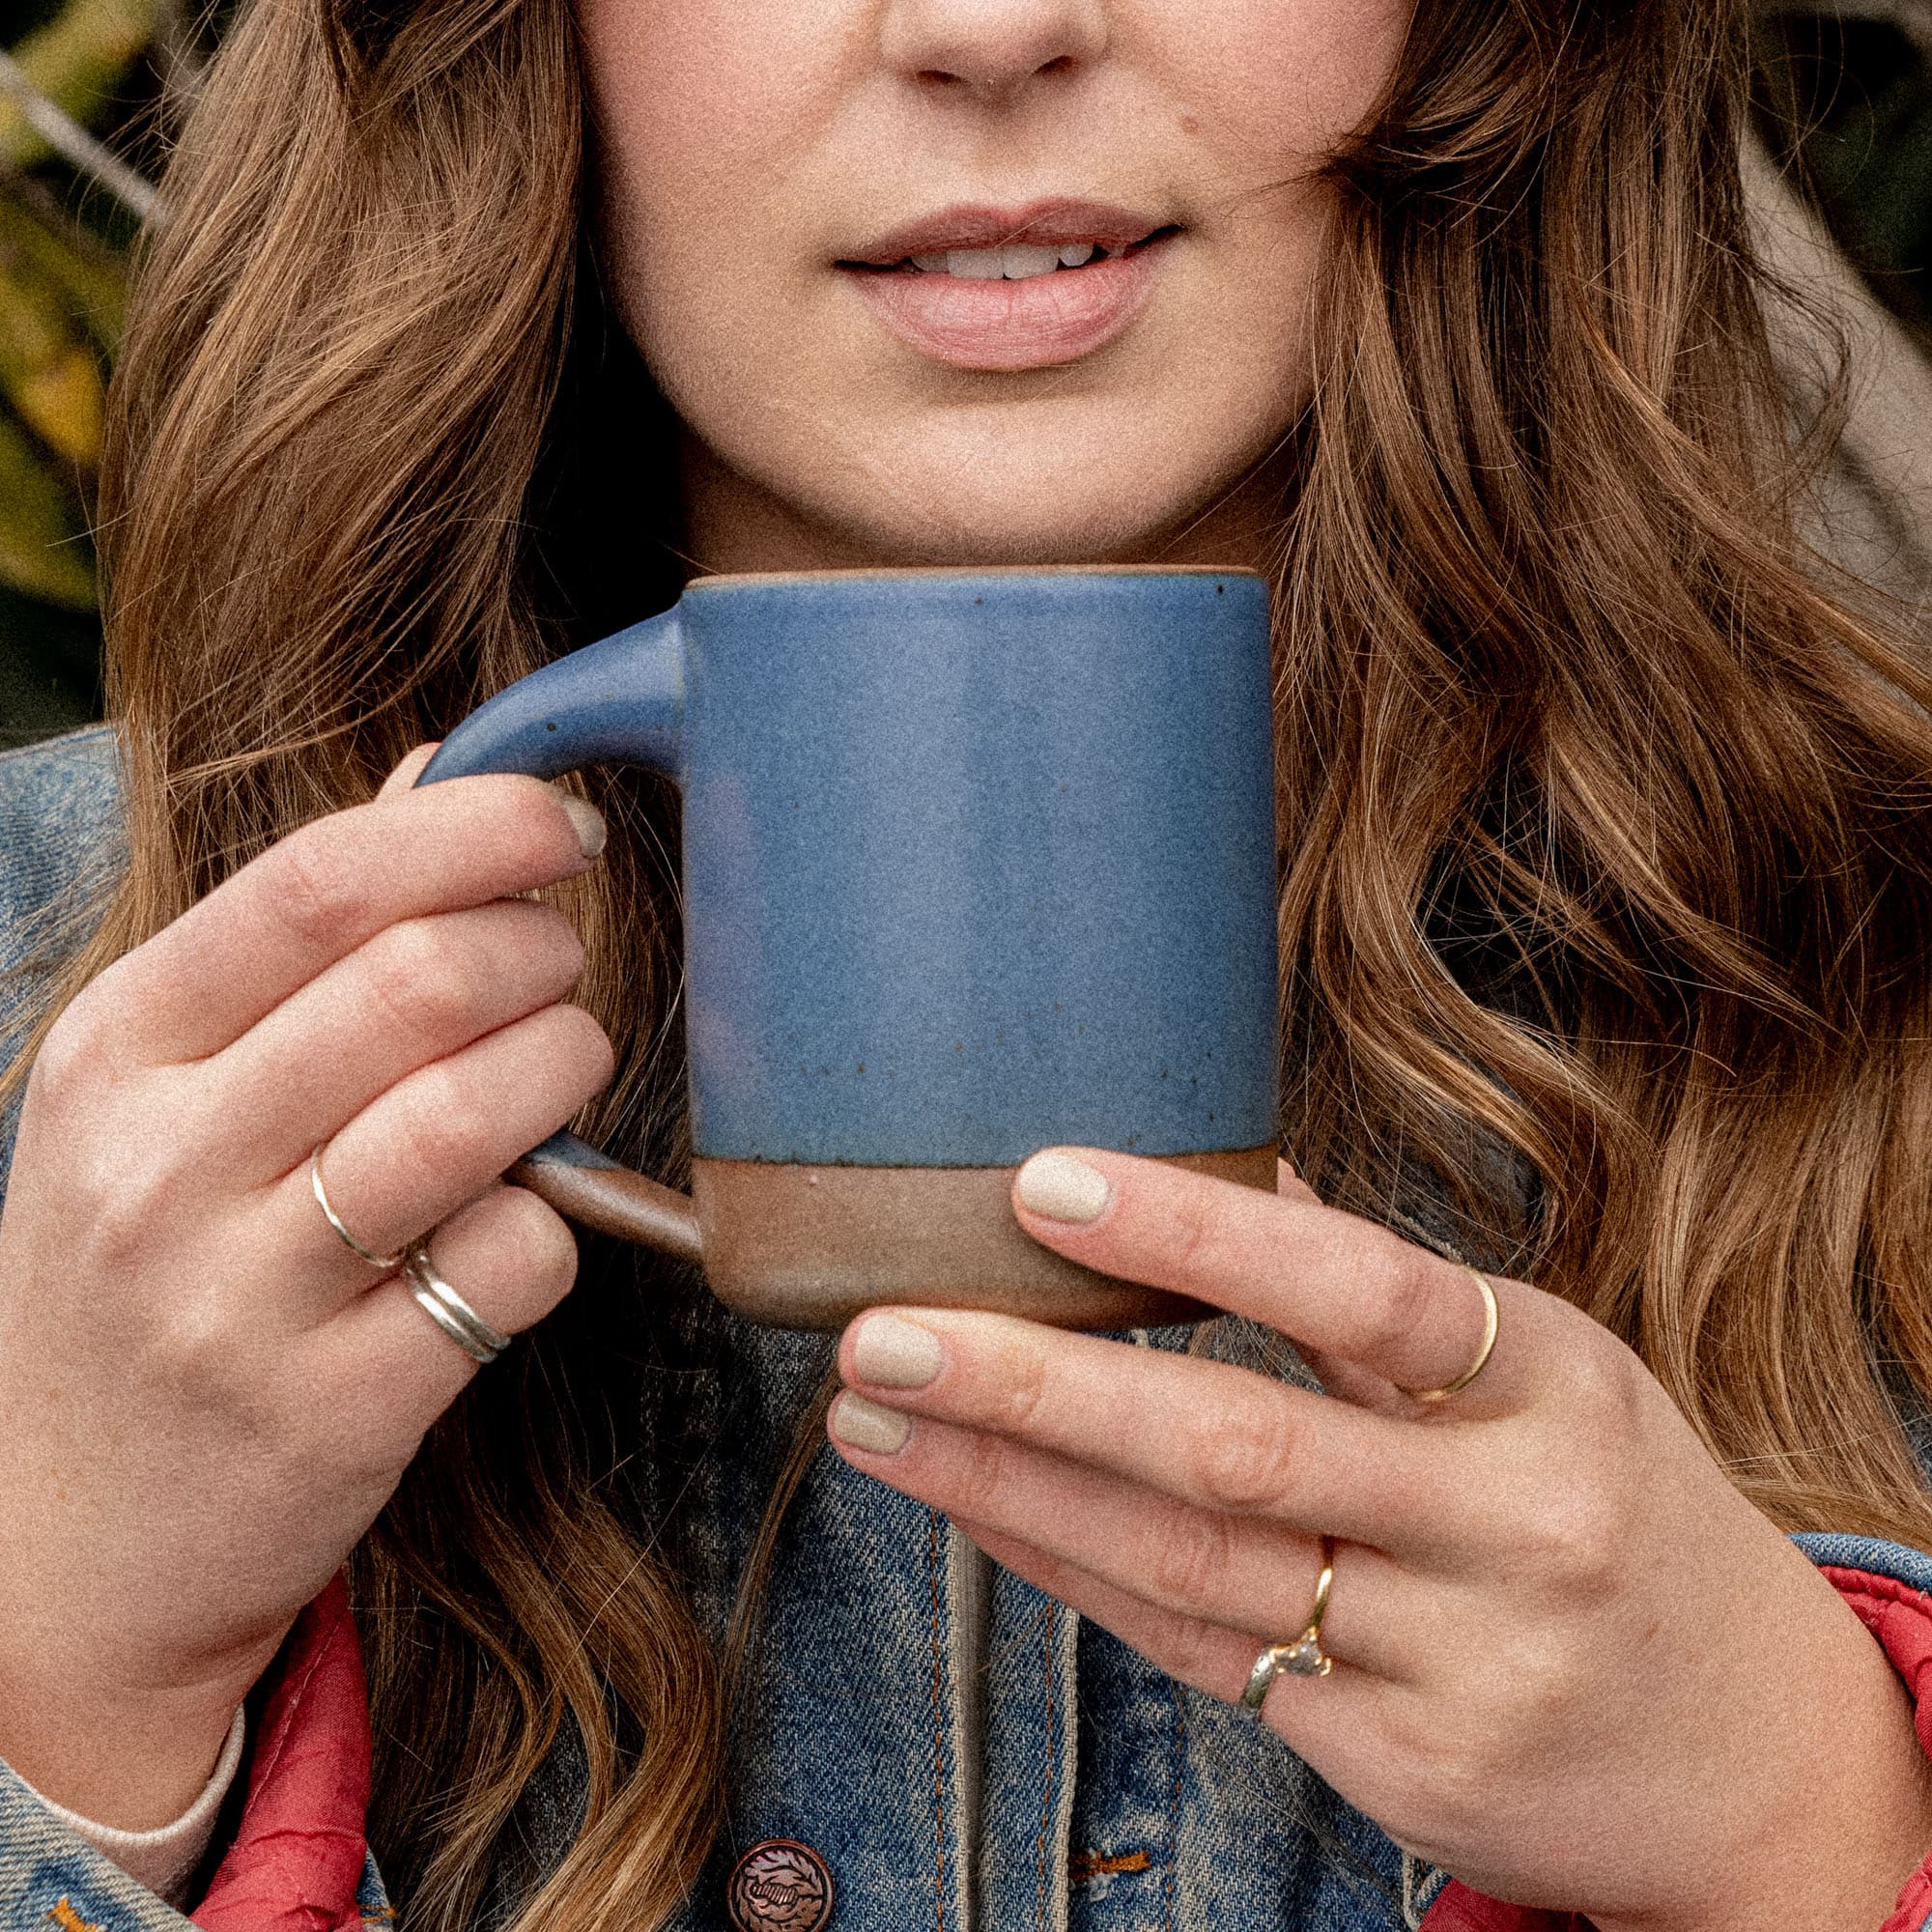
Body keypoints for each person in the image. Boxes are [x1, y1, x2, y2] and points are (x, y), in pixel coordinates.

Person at [4, 0, 1932, 1927]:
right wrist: (66, 1691)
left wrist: (1815, 1832)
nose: (991, 26)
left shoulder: (1883, 1004)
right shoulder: (53, 1010)